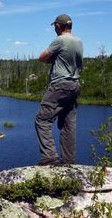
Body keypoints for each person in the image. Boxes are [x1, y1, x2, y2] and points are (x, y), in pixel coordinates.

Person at [35, 14, 83, 166]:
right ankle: (68, 161)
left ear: (58, 26)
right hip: (74, 85)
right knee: (68, 123)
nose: (54, 29)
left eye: (55, 26)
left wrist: (52, 59)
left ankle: (50, 156)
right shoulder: (78, 41)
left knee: (42, 119)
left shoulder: (60, 40)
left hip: (60, 85)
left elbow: (42, 57)